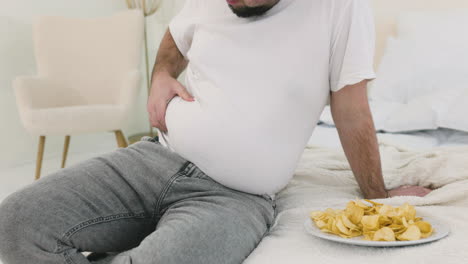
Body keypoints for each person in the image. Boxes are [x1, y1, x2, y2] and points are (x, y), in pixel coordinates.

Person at [0, 0, 433, 263]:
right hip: (153, 159)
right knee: (15, 223)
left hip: (234, 197)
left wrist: (379, 198)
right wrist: (161, 76)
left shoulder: (339, 6)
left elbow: (352, 109)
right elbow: (174, 37)